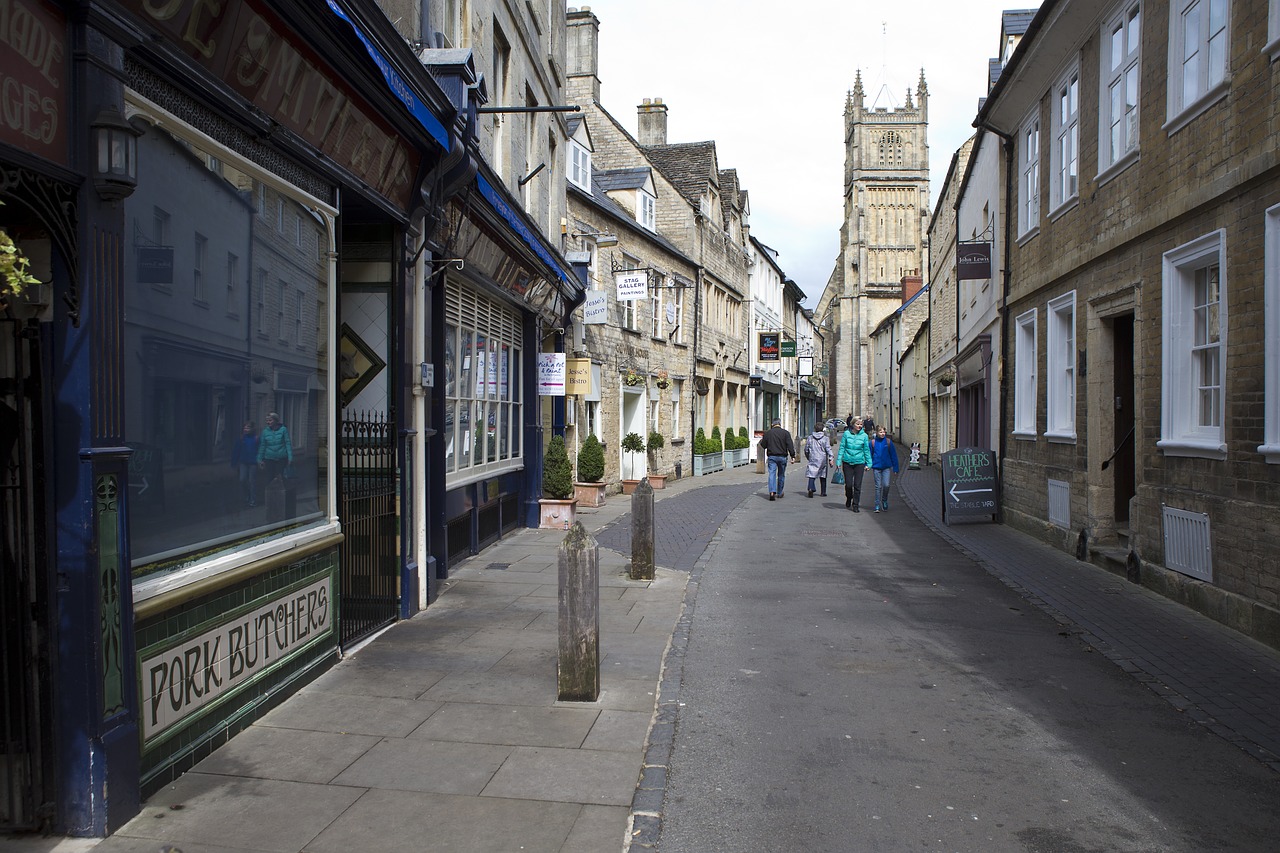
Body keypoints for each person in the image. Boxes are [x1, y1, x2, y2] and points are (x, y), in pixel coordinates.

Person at [836, 416, 871, 511]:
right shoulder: (846, 434)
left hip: (859, 462)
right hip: (847, 462)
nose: (859, 426)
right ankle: (849, 497)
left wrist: (869, 463)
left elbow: (866, 450)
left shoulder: (864, 436)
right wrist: (838, 461)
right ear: (853, 424)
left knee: (857, 485)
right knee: (848, 484)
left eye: (861, 424)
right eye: (858, 424)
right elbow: (842, 448)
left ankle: (855, 504)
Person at [758, 417, 796, 500]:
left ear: (772, 424)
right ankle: (779, 492)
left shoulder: (768, 433)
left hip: (772, 457)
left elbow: (763, 445)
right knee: (781, 475)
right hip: (782, 457)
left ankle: (772, 492)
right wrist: (792, 456)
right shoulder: (786, 433)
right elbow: (790, 445)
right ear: (780, 424)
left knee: (772, 474)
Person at [869, 424, 900, 512]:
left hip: (886, 467)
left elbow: (893, 455)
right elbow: (868, 455)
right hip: (876, 467)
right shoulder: (872, 443)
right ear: (877, 433)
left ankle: (884, 499)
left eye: (884, 432)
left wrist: (895, 468)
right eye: (880, 432)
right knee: (878, 486)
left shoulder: (888, 442)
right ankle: (877, 504)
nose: (882, 434)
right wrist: (867, 464)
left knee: (886, 485)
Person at [257, 412, 293, 485]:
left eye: (270, 420)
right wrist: (259, 459)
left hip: (281, 457)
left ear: (276, 420)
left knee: (279, 477)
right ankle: (270, 495)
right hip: (269, 458)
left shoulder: (283, 430)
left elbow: (287, 443)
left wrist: (290, 457)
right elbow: (262, 446)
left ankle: (281, 495)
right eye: (267, 420)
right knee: (269, 478)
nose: (268, 422)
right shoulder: (265, 432)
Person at [230, 420, 259, 507]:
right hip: (243, 462)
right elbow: (236, 451)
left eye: (248, 427)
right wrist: (234, 462)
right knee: (242, 479)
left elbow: (260, 450)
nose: (246, 429)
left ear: (252, 429)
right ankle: (247, 495)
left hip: (253, 462)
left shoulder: (256, 439)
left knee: (252, 481)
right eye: (245, 427)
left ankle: (253, 499)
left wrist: (261, 460)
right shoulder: (241, 439)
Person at [803, 421, 832, 499]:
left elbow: (806, 449)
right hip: (822, 458)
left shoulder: (810, 437)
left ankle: (811, 487)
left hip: (813, 457)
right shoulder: (825, 438)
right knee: (823, 474)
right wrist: (830, 457)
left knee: (812, 474)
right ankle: (823, 492)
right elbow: (828, 448)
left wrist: (808, 456)